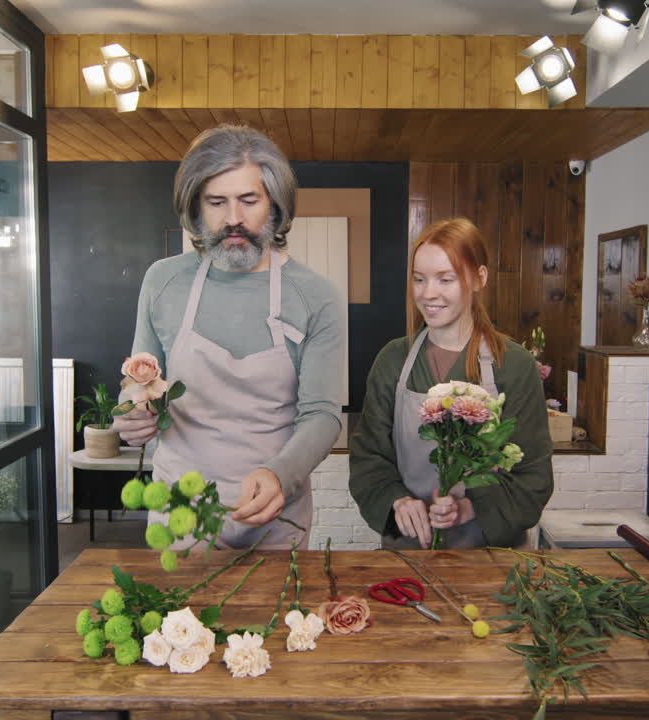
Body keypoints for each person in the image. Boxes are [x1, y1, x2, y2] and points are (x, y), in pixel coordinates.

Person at [112, 125, 345, 550]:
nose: (233, 219)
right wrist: (131, 415)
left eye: (249, 201)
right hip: (179, 513)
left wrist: (279, 475)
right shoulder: (162, 281)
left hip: (275, 515)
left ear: (275, 204)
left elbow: (323, 415)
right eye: (217, 202)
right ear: (196, 207)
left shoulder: (316, 295)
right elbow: (137, 383)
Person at [349, 217, 553, 549]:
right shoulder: (393, 360)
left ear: (478, 278)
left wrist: (469, 508)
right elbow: (368, 456)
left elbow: (534, 476)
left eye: (446, 279)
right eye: (419, 279)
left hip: (492, 558)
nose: (429, 293)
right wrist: (398, 500)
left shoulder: (514, 365)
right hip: (410, 552)